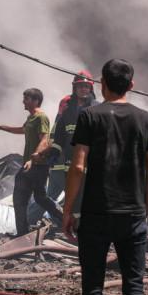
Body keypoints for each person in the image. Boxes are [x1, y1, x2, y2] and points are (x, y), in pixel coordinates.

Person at [62, 60, 148, 295]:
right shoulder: (146, 119)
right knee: (134, 288)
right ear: (131, 85)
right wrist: (145, 210)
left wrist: (68, 210)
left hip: (96, 214)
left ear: (102, 83)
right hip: (133, 215)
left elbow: (78, 166)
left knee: (92, 287)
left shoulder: (89, 116)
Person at [0, 88, 63, 235]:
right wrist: (1, 127)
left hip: (37, 166)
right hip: (30, 166)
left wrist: (33, 159)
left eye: (26, 99)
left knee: (30, 198)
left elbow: (45, 140)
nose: (23, 102)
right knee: (32, 198)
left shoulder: (41, 117)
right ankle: (23, 233)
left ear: (35, 101)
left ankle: (61, 220)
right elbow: (22, 130)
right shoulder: (31, 118)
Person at [40, 71, 97, 219]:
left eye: (86, 86)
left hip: (88, 162)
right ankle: (72, 229)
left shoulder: (96, 109)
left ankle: (82, 231)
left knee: (85, 198)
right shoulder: (67, 110)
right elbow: (59, 136)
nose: (83, 89)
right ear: (74, 88)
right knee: (72, 199)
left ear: (91, 88)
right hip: (68, 162)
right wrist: (54, 152)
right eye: (80, 86)